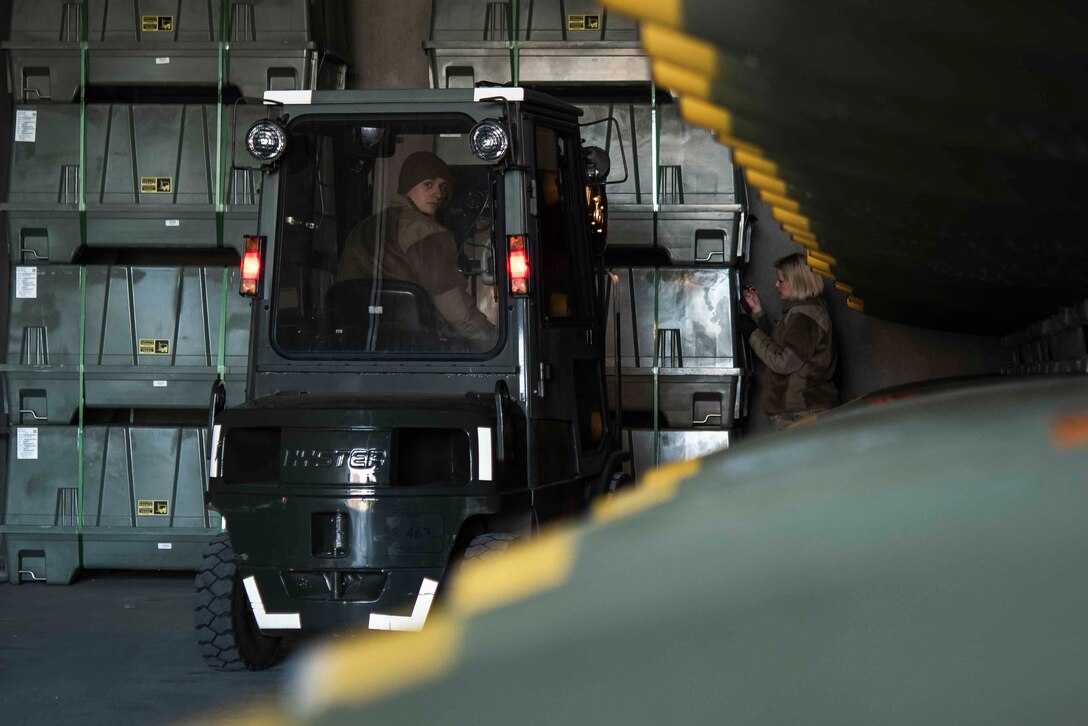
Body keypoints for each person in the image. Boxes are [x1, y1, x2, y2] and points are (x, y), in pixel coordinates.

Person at [337, 151, 497, 350]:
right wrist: (494, 341)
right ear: (408, 185)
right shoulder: (427, 232)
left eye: (443, 187)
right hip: (416, 348)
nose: (438, 194)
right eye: (428, 184)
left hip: (357, 345)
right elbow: (456, 311)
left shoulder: (363, 228)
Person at [740, 252, 838, 430]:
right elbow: (781, 347)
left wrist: (751, 332)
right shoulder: (804, 311)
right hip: (802, 412)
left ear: (797, 281)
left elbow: (783, 362)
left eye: (781, 280)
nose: (776, 285)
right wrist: (758, 312)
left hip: (800, 415)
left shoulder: (805, 317)